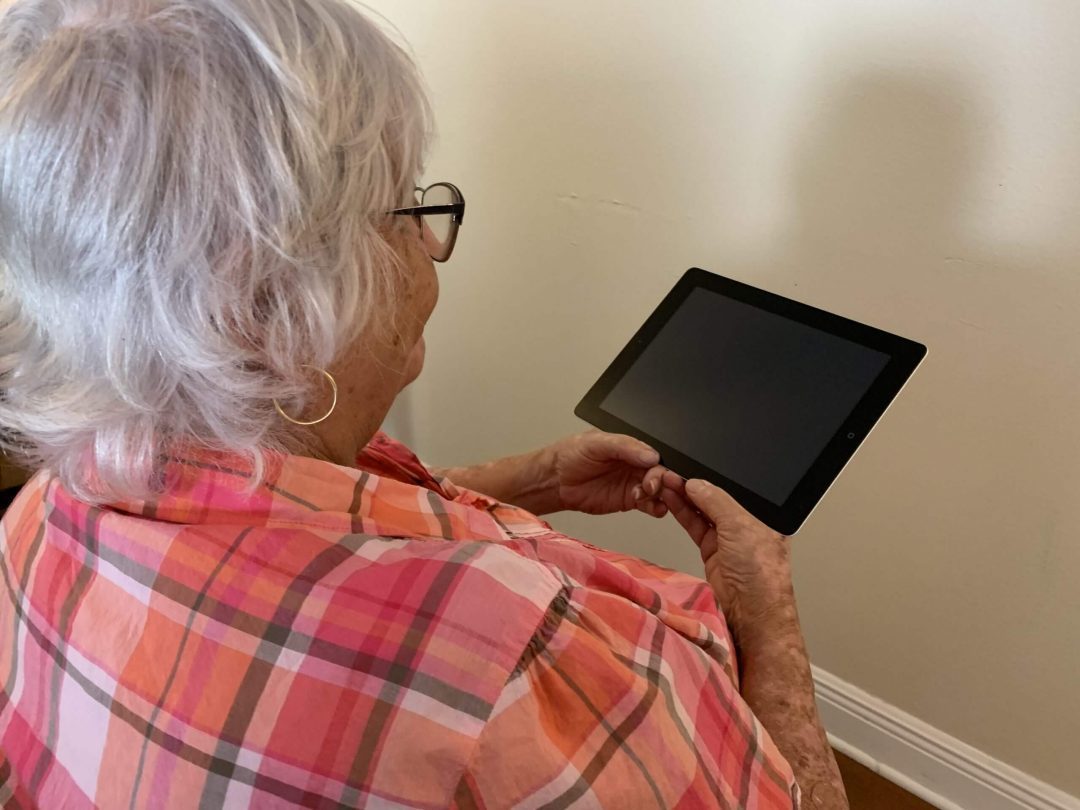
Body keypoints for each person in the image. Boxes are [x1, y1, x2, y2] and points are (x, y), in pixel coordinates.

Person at [0, 0, 847, 806]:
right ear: (279, 303)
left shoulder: (45, 510)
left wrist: (536, 478)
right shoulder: (517, 669)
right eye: (407, 205)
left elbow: (297, 530)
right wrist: (767, 618)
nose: (427, 246)